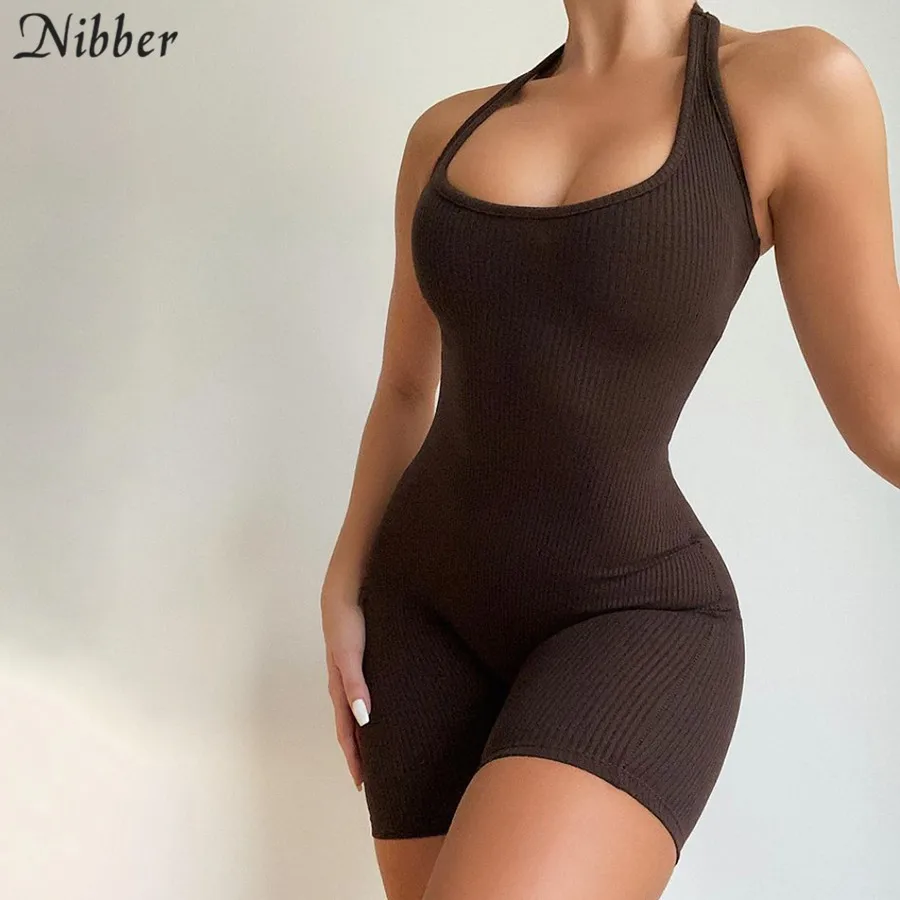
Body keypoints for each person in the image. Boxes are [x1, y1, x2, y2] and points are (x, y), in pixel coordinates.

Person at [320, 1, 900, 897]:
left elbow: (887, 417)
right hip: (419, 621)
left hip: (633, 622)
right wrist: (344, 579)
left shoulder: (793, 86)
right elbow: (404, 387)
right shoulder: (445, 131)